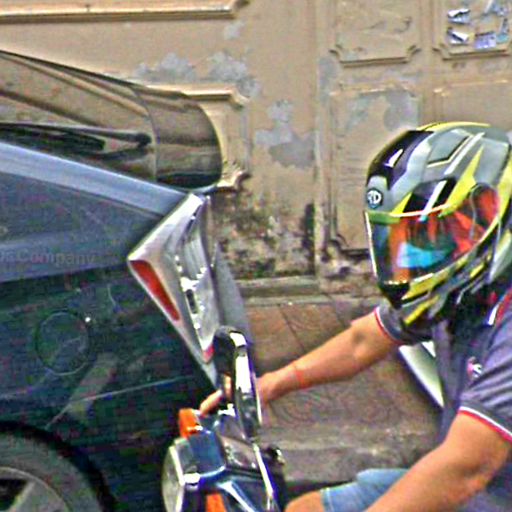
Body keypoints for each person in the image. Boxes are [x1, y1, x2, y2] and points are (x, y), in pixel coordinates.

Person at [201, 122, 512, 511]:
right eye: (399, 242)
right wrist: (268, 386)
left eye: (427, 238)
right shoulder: (455, 295)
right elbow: (363, 341)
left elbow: (463, 470)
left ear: (488, 219)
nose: (408, 260)